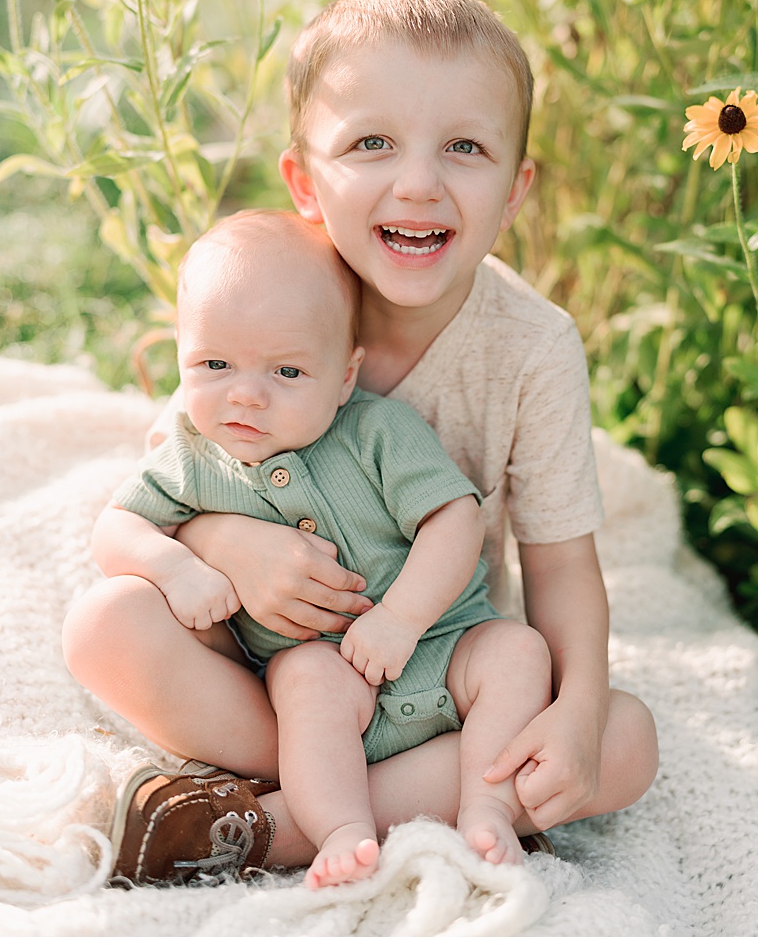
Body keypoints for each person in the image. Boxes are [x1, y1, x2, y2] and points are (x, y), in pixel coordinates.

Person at [62, 0, 657, 884]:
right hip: (270, 679)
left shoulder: (532, 347)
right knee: (105, 625)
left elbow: (563, 565)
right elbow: (176, 481)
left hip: (440, 678)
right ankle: (360, 792)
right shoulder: (266, 293)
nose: (417, 183)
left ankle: (264, 828)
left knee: (624, 740)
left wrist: (571, 714)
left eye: (464, 147)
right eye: (371, 143)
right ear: (304, 180)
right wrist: (232, 546)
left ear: (515, 190)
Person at [91, 210, 551, 886]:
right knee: (305, 678)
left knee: (520, 652)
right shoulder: (192, 452)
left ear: (344, 376)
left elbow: (453, 520)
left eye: (286, 371)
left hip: (446, 647)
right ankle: (341, 830)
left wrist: (403, 619)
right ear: (180, 357)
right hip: (328, 690)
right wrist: (175, 565)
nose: (245, 394)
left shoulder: (376, 432)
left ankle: (485, 808)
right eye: (214, 363)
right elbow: (113, 529)